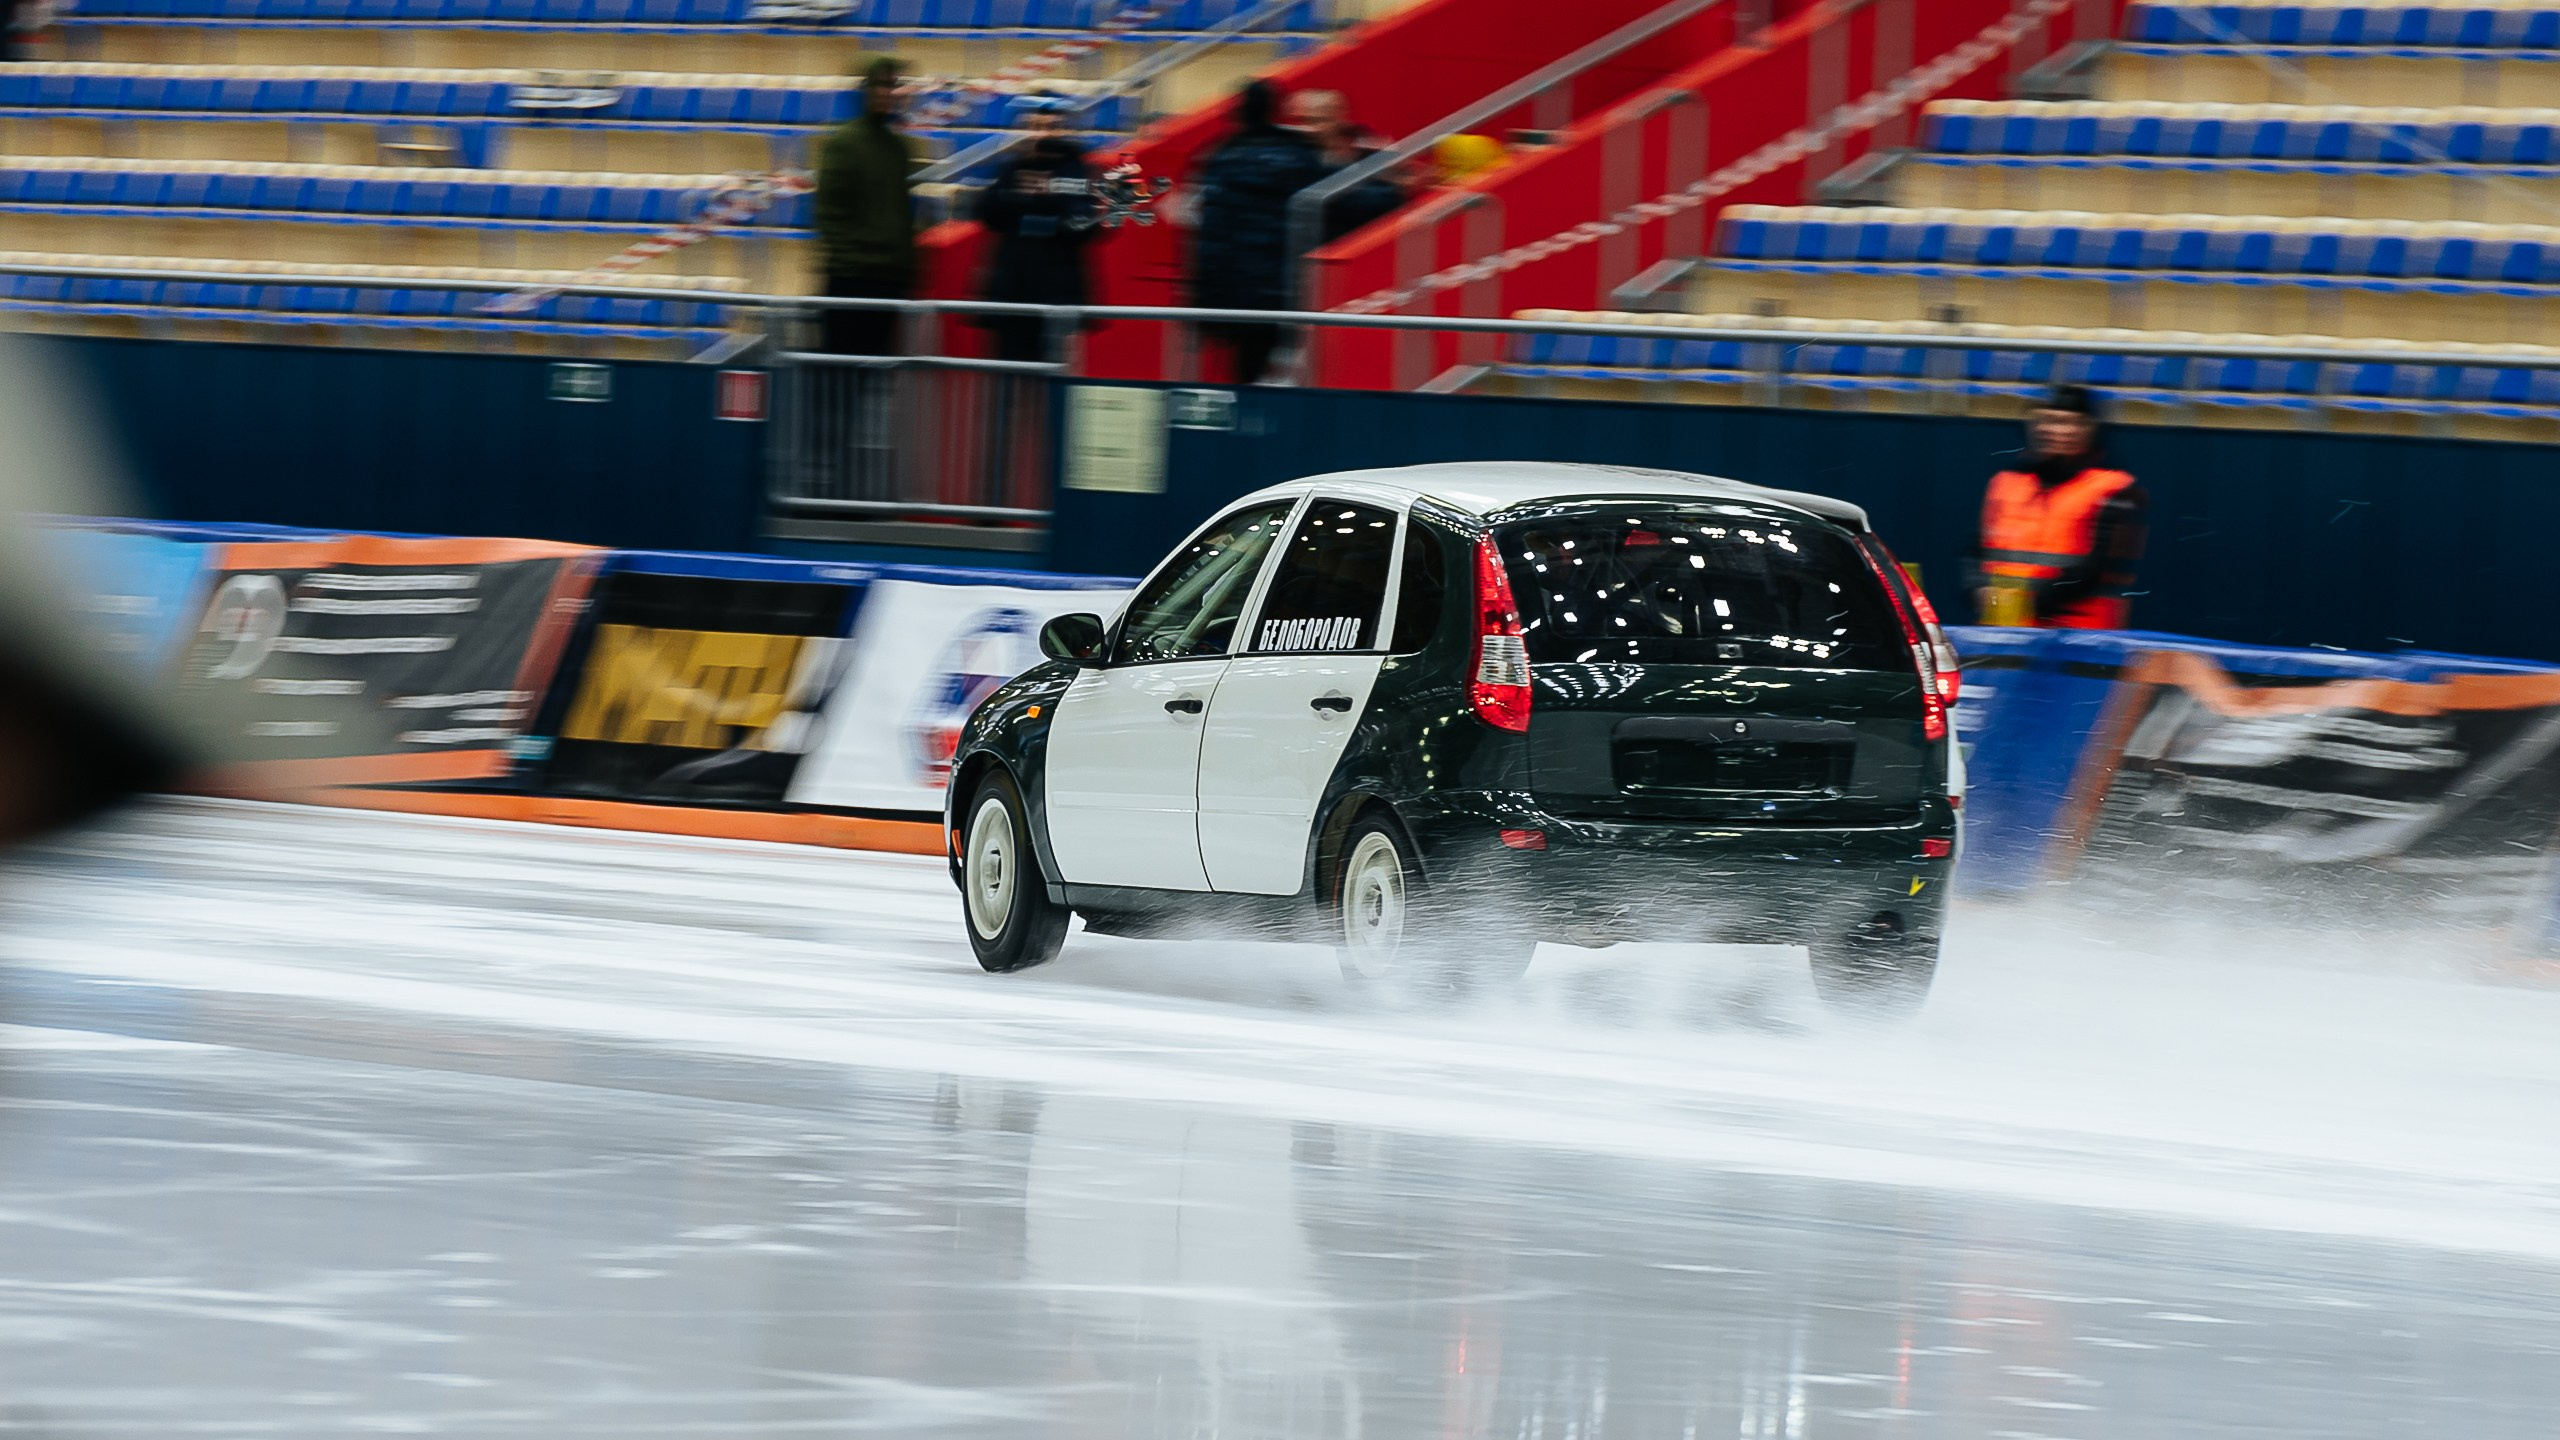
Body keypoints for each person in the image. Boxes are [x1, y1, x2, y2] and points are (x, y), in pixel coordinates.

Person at [1971, 384, 2148, 629]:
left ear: (2089, 429)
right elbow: (1975, 551)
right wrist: (1975, 589)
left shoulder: (2116, 489)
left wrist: (2028, 604)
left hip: (2081, 636)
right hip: (2004, 631)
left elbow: (2098, 569)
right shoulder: (2004, 483)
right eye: (2045, 420)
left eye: (2066, 422)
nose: (2052, 430)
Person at [1186, 79, 1327, 385]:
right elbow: (1323, 212)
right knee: (1280, 375)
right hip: (1281, 285)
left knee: (1244, 374)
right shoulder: (1299, 155)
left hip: (1229, 286)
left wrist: (1202, 295)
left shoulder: (1220, 155)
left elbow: (1209, 233)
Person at [972, 103, 1098, 363]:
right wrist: (1014, 195)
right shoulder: (1011, 169)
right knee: (1007, 369)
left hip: (1057, 292)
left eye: (1052, 128)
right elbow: (986, 213)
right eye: (1035, 127)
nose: (1042, 135)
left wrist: (1050, 200)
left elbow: (1089, 226)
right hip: (1012, 289)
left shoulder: (1077, 171)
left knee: (1052, 373)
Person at [813, 55, 919, 355]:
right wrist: (853, 260)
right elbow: (829, 213)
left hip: (890, 280)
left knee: (878, 366)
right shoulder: (844, 143)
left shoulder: (899, 148)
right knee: (843, 368)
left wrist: (904, 265)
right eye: (882, 85)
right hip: (851, 279)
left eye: (894, 85)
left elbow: (902, 213)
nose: (889, 93)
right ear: (867, 89)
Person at [1289, 89, 1405, 243]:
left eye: (1323, 120)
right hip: (1336, 240)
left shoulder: (1364, 140)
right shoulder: (1301, 159)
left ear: (1340, 116)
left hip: (1382, 229)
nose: (1317, 128)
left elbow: (1402, 173)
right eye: (1308, 121)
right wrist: (1395, 189)